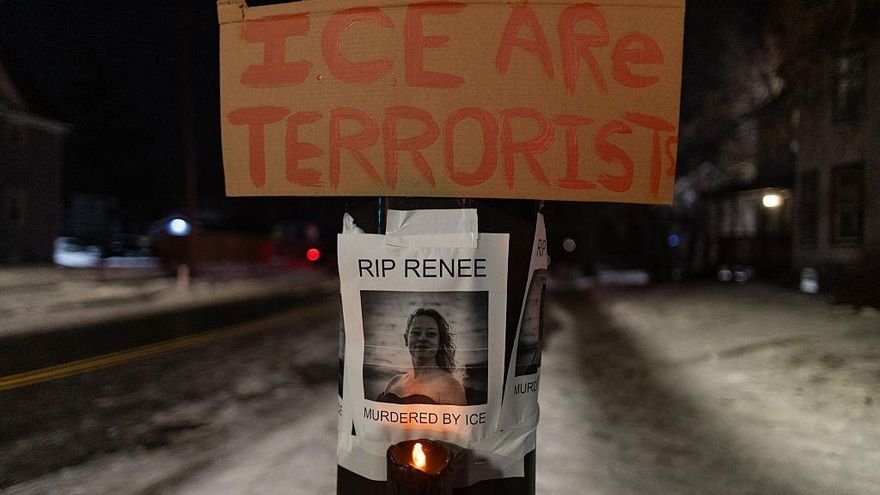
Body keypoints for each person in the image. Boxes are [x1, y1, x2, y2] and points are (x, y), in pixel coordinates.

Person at [377, 308, 467, 405]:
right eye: (416, 333)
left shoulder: (451, 386)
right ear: (406, 339)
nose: (422, 338)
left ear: (440, 342)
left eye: (431, 334)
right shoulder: (395, 381)